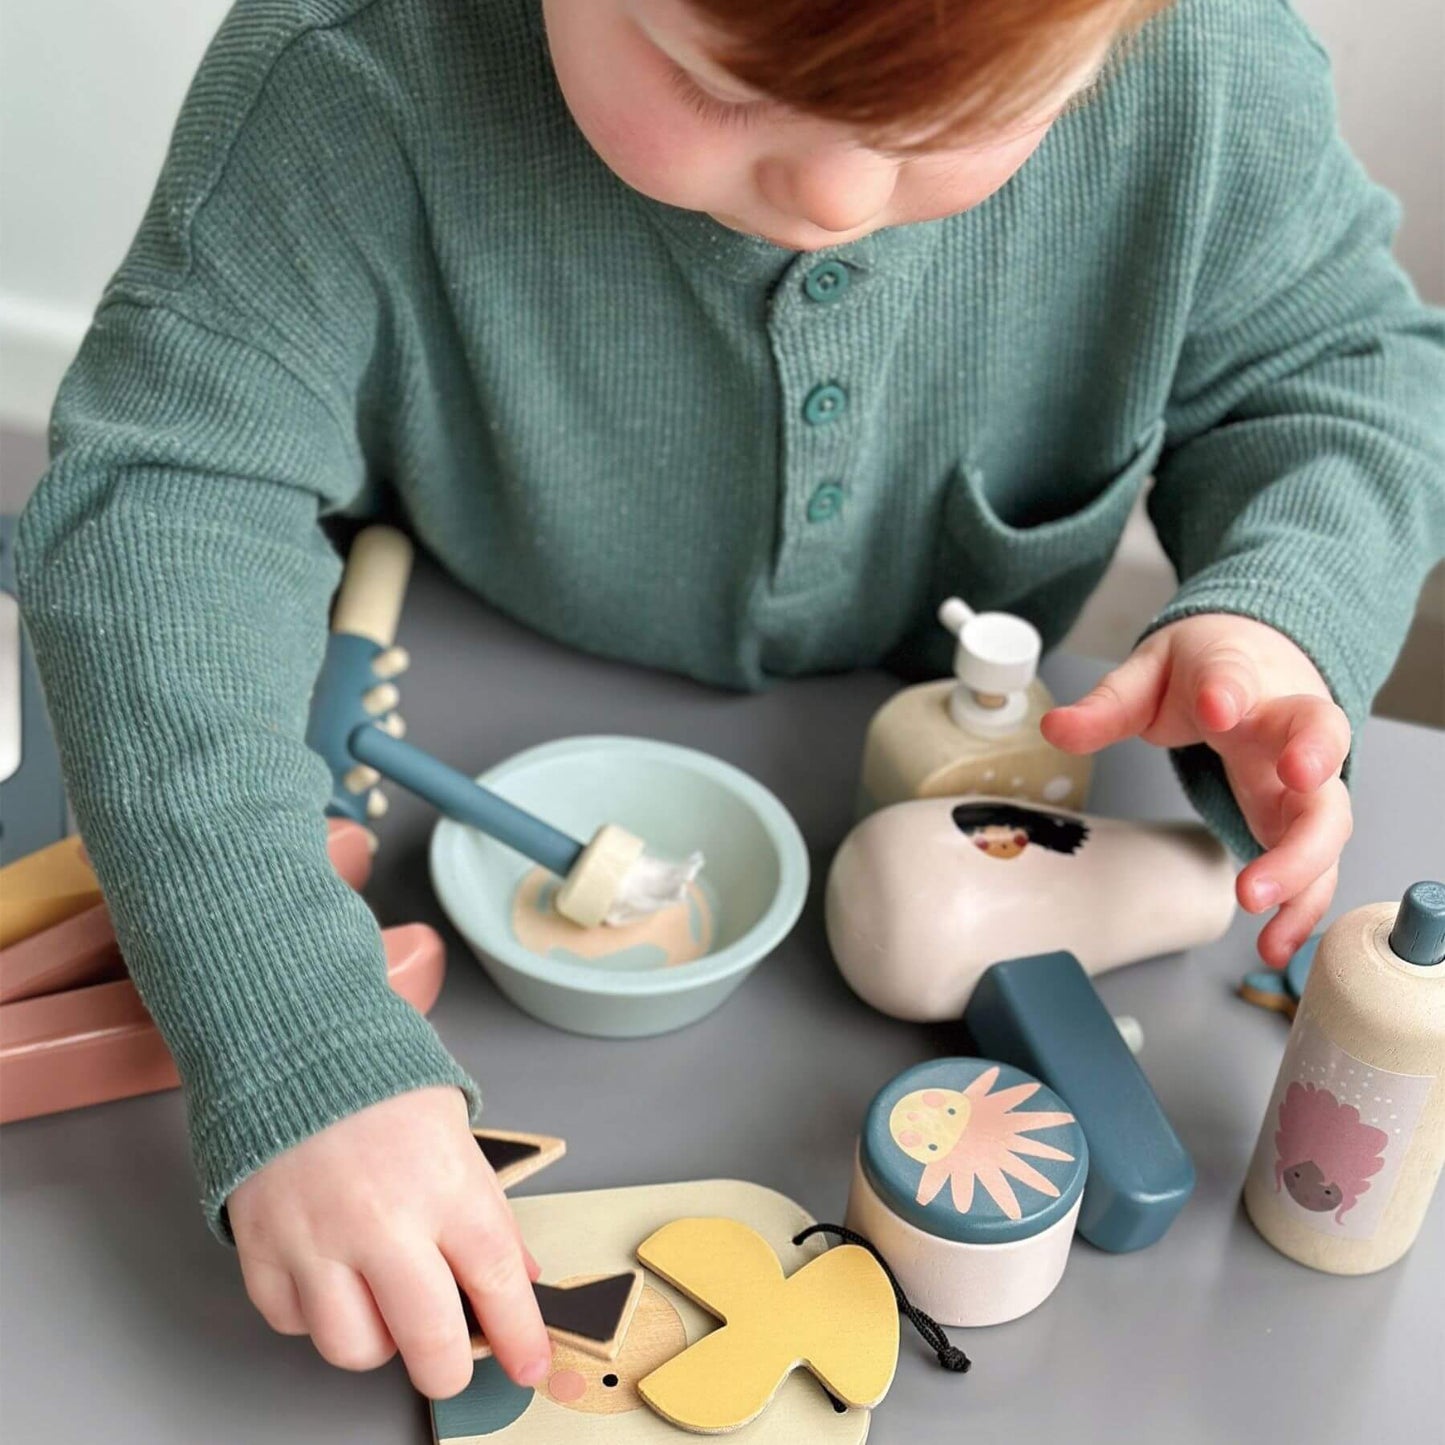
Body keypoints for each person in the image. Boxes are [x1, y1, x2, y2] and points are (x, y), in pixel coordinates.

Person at [15, 0, 1444, 1404]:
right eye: (716, 81)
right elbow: (167, 507)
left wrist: (1283, 603)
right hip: (456, 713)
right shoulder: (349, 70)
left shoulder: (1200, 68)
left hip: (952, 789)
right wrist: (287, 1022)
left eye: (962, 123)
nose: (835, 187)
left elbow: (1337, 377)